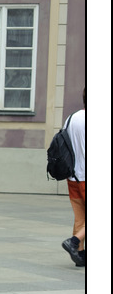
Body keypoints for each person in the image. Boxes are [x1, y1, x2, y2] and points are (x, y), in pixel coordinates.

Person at [60, 88, 86, 267]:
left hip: (73, 176)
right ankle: (74, 242)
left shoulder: (71, 118)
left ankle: (80, 256)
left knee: (80, 217)